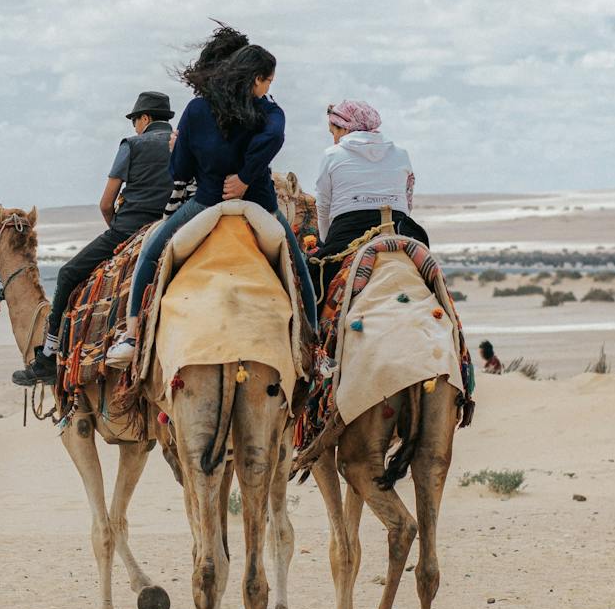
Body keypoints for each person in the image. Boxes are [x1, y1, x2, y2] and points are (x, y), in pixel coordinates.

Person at [106, 27, 318, 367]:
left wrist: (178, 150)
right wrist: (247, 177)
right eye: (267, 82)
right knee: (298, 265)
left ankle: (131, 336)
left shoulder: (197, 110)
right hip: (259, 204)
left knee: (149, 252)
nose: (267, 89)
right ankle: (314, 343)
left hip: (205, 203)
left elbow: (180, 173)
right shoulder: (267, 111)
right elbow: (275, 137)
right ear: (254, 78)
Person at [11, 90, 176, 387]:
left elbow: (105, 202)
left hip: (129, 230)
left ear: (145, 119)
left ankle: (48, 356)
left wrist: (117, 227)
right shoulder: (182, 142)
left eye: (135, 121)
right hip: (174, 228)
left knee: (67, 274)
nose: (134, 127)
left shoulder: (132, 145)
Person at [314, 101, 430, 297]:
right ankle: (449, 320)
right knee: (429, 274)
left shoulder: (332, 155)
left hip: (348, 231)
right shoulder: (402, 154)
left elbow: (323, 205)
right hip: (399, 226)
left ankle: (318, 326)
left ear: (344, 129)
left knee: (317, 281)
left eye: (333, 131)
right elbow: (407, 200)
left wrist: (326, 242)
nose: (333, 138)